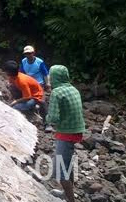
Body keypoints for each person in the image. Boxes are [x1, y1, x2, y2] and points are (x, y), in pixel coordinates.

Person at [46, 65, 85, 202]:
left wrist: (47, 118)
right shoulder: (73, 89)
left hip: (66, 133)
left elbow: (53, 118)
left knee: (60, 170)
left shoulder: (56, 92)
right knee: (67, 164)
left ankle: (70, 199)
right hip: (77, 131)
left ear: (54, 77)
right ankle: (67, 193)